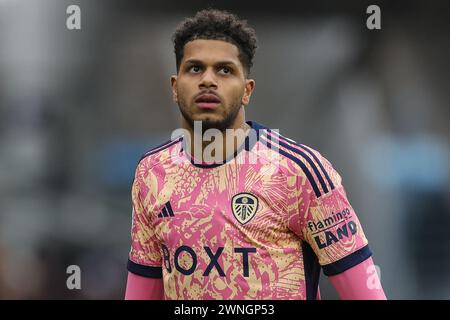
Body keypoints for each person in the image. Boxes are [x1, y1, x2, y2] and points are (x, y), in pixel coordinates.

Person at [124, 8, 386, 300]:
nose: (208, 80)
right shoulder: (152, 173)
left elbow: (367, 295)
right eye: (195, 68)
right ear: (175, 87)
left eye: (224, 70)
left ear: (247, 90)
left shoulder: (300, 171)